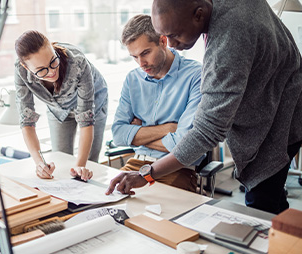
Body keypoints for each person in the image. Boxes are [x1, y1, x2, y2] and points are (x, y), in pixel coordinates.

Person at [106, 0, 302, 215]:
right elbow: (119, 133)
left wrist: (147, 173)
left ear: (199, 15)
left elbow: (206, 131)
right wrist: (170, 129)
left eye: (174, 34)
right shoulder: (222, 8)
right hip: (282, 96)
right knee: (273, 205)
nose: (170, 44)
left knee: (261, 209)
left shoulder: (226, 45)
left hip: (281, 119)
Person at [111, 14, 202, 192]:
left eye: (145, 53)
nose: (141, 63)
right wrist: (169, 129)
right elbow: (118, 135)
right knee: (108, 208)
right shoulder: (133, 79)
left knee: (157, 218)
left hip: (177, 169)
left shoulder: (196, 76)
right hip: (135, 164)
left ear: (162, 41)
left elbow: (184, 145)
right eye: (134, 57)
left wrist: (138, 135)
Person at [14, 30, 108, 181]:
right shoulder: (20, 71)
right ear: (26, 68)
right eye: (41, 70)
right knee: (61, 160)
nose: (51, 72)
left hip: (93, 103)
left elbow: (86, 123)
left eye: (53, 61)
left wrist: (80, 166)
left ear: (52, 48)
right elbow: (27, 122)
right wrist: (39, 164)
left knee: (87, 166)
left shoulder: (78, 62)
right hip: (57, 108)